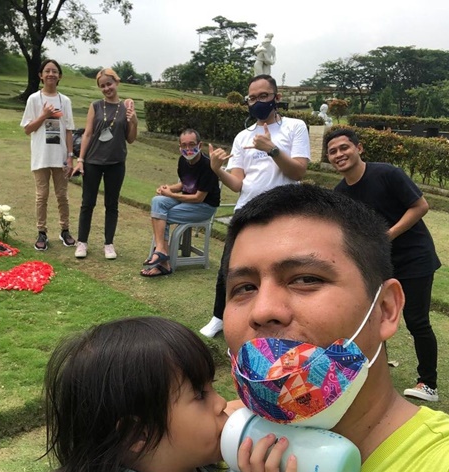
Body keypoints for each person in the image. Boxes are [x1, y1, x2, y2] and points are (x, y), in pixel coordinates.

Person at [221, 184, 449, 472]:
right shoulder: (219, 446)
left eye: (305, 279)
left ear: (385, 309)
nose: (262, 310)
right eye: (245, 287)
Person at [44, 317, 308, 472]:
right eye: (200, 395)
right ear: (137, 434)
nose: (219, 404)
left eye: (211, 387)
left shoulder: (173, 461)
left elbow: (232, 408)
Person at [326, 128, 442, 402]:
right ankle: (373, 371)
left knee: (416, 320)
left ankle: (429, 384)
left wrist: (386, 236)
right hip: (379, 263)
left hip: (414, 258)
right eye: (333, 152)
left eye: (344, 148)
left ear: (359, 148)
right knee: (372, 319)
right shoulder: (340, 193)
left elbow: (420, 206)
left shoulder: (387, 173)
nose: (339, 154)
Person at [199, 74, 309, 338]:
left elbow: (299, 172)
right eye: (252, 98)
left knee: (279, 268)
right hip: (247, 209)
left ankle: (279, 318)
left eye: (264, 96)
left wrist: (273, 150)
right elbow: (237, 183)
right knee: (232, 266)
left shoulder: (295, 127)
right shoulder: (243, 136)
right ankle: (220, 316)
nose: (258, 102)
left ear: (276, 98)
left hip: (283, 210)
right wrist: (217, 169)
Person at [72, 68, 138, 260]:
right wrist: (81, 160)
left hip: (116, 162)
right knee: (87, 203)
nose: (107, 88)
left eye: (109, 84)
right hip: (93, 161)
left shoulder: (127, 107)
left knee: (112, 204)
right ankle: (82, 242)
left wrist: (134, 122)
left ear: (116, 82)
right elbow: (88, 133)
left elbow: (130, 139)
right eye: (102, 86)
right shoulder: (96, 106)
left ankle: (109, 244)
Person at [140, 128, 220, 277]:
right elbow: (185, 185)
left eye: (192, 144)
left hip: (204, 207)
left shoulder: (208, 166)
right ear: (180, 146)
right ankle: (161, 251)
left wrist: (171, 195)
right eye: (184, 145)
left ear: (200, 145)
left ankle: (163, 261)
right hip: (188, 202)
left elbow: (198, 198)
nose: (188, 149)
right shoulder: (183, 160)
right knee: (157, 201)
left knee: (162, 216)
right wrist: (167, 189)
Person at [21, 58, 76, 251]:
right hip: (41, 156)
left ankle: (65, 230)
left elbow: (69, 130)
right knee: (41, 196)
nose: (51, 74)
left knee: (62, 196)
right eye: (47, 71)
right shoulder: (34, 99)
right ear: (41, 75)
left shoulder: (65, 101)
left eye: (55, 71)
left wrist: (70, 156)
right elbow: (28, 129)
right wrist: (44, 115)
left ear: (59, 76)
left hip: (60, 156)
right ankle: (42, 232)